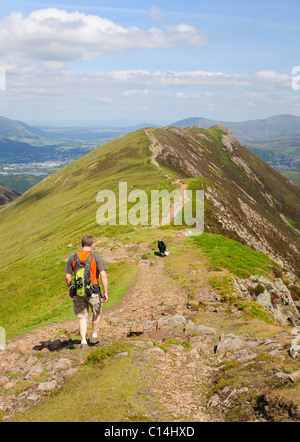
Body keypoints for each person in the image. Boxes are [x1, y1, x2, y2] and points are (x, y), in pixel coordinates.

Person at [65, 234, 108, 348]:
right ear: (92, 245)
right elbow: (103, 276)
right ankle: (94, 336)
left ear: (82, 244)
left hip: (79, 292)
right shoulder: (96, 257)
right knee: (96, 312)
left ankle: (83, 341)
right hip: (93, 291)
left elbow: (67, 276)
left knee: (83, 316)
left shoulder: (73, 257)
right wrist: (105, 292)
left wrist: (70, 289)